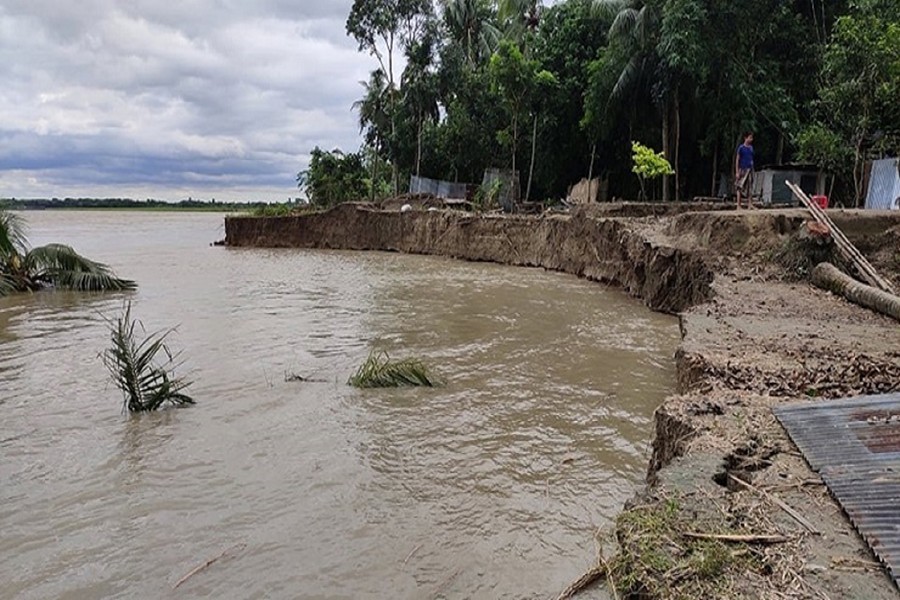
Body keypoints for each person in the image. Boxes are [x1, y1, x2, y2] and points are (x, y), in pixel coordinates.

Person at [734, 132, 755, 209]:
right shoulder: (741, 148)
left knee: (750, 187)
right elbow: (737, 160)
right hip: (742, 169)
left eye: (751, 138)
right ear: (745, 138)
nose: (751, 139)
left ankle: (750, 204)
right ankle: (738, 205)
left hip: (750, 169)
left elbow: (751, 158)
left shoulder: (751, 148)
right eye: (750, 137)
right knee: (739, 186)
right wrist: (737, 171)